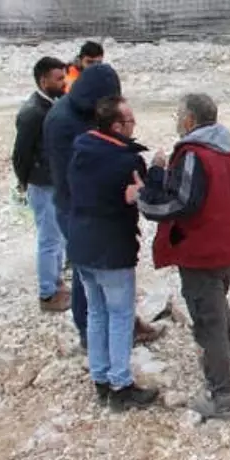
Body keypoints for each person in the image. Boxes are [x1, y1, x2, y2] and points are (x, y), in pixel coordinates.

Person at [132, 93, 230, 420]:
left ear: (189, 121)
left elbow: (181, 203)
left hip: (203, 250)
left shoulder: (194, 155)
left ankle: (222, 396)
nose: (177, 120)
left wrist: (146, 195)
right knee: (216, 298)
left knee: (206, 317)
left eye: (178, 114)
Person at [43, 63, 162, 350]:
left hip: (83, 206)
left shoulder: (76, 112)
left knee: (94, 274)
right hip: (79, 210)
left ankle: (117, 326)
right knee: (90, 276)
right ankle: (90, 334)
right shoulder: (65, 122)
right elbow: (90, 171)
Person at [67, 96, 158, 411]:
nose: (135, 125)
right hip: (111, 249)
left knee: (96, 313)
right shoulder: (126, 161)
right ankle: (121, 383)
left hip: (80, 245)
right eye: (130, 121)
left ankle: (101, 378)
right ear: (117, 126)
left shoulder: (81, 148)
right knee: (119, 316)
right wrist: (155, 172)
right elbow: (144, 198)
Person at [12, 56, 71, 312]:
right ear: (43, 80)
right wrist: (23, 181)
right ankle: (48, 294)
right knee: (49, 239)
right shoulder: (33, 113)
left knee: (56, 237)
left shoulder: (48, 106)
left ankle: (56, 283)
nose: (63, 83)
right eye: (58, 79)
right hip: (42, 184)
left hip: (52, 183)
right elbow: (20, 153)